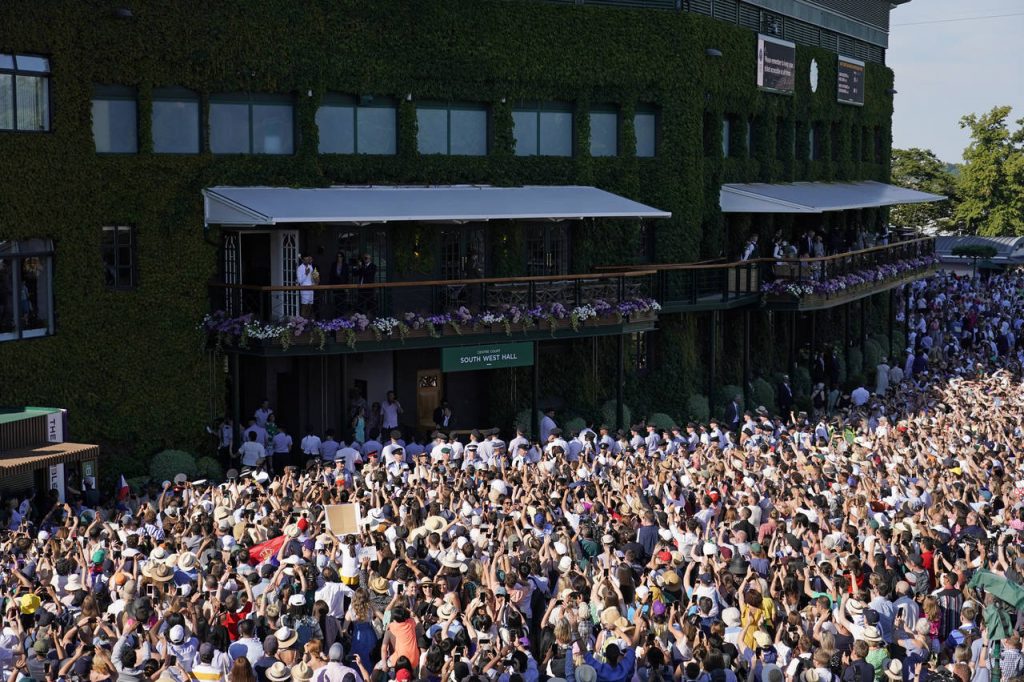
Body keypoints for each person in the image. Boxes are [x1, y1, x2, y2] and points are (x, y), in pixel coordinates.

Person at [297, 254, 318, 319]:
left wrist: (315, 282)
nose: (307, 261)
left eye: (308, 259)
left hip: (311, 289)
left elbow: (312, 278)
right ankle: (302, 321)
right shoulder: (299, 268)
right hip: (304, 290)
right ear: (303, 260)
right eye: (305, 260)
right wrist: (305, 274)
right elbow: (300, 281)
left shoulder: (310, 267)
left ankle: (308, 321)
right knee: (304, 306)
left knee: (310, 306)